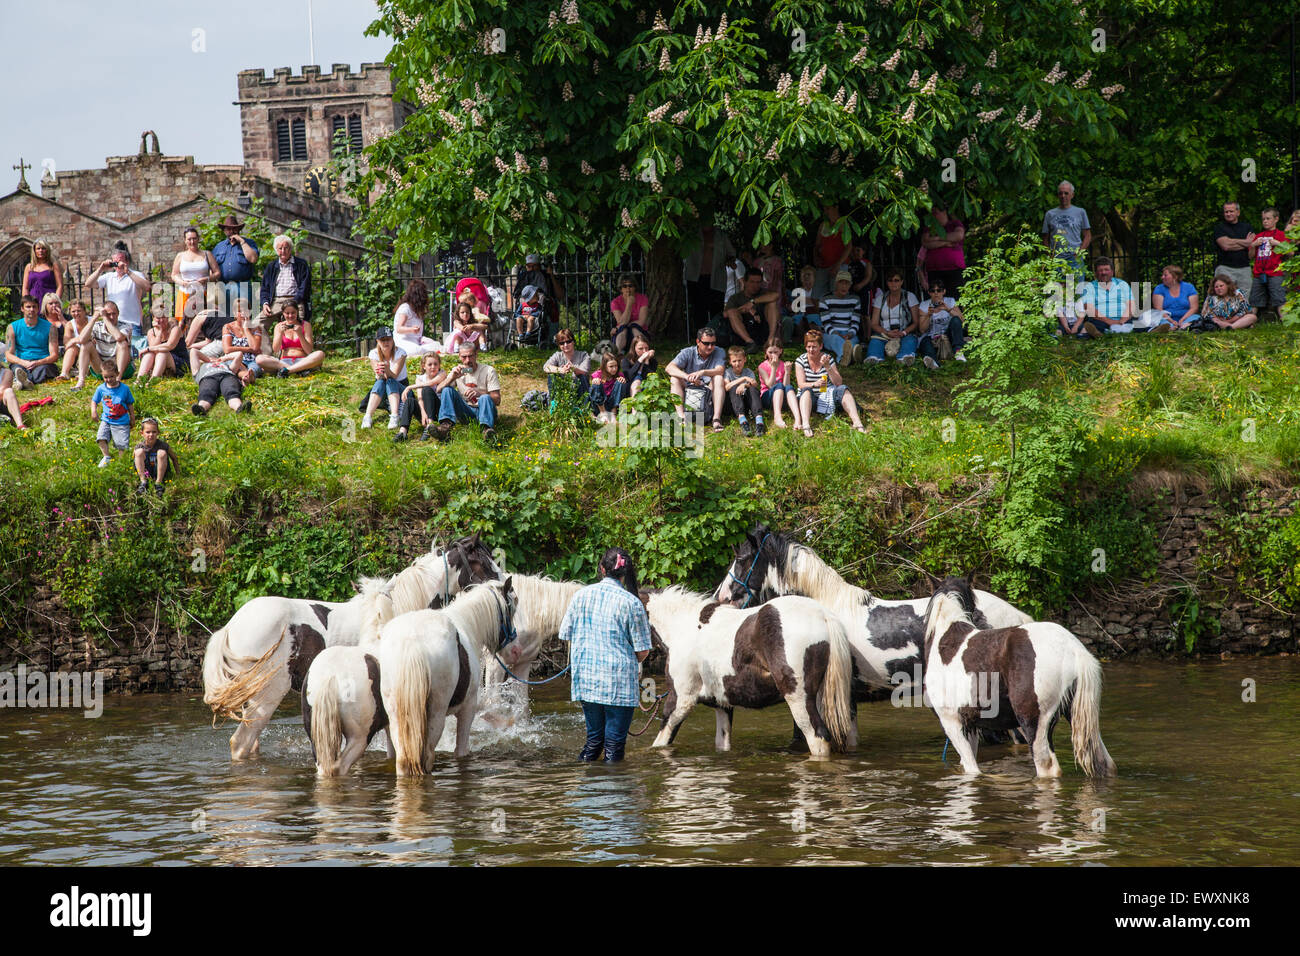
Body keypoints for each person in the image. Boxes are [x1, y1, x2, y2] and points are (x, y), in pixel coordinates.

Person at [558, 547, 652, 763]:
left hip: (587, 680)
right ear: (625, 573)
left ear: (601, 569)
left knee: (593, 742)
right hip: (618, 682)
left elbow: (565, 633)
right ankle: (613, 793)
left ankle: (587, 789)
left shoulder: (580, 596)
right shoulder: (632, 603)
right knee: (614, 747)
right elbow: (642, 651)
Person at [795, 329, 867, 436]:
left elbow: (838, 382)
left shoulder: (827, 359)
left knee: (843, 389)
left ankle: (857, 423)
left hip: (827, 396)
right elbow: (800, 384)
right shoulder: (801, 360)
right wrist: (815, 384)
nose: (811, 350)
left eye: (814, 347)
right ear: (805, 347)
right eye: (808, 347)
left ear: (821, 346)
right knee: (805, 391)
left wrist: (828, 367)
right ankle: (806, 425)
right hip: (810, 399)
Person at [433, 340, 501, 444]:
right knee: (447, 389)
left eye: (471, 356)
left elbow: (497, 399)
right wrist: (451, 378)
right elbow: (438, 390)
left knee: (485, 398)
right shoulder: (458, 371)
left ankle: (487, 430)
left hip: (485, 409)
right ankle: (445, 428)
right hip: (466, 410)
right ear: (459, 356)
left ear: (476, 355)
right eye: (464, 357)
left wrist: (480, 393)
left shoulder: (488, 370)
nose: (467, 360)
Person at [666, 326, 726, 431]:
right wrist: (687, 377)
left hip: (708, 387)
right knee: (674, 379)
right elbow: (669, 368)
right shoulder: (687, 352)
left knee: (718, 378)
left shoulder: (719, 351)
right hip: (689, 386)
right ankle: (682, 417)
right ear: (698, 341)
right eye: (706, 343)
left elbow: (720, 370)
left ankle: (716, 419)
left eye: (713, 343)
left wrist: (702, 372)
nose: (710, 347)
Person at [87, 246, 150, 339]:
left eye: (120, 261)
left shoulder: (135, 274)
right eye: (115, 261)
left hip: (132, 322)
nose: (117, 264)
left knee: (133, 351)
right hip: (113, 321)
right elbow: (88, 283)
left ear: (127, 261)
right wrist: (100, 269)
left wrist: (127, 271)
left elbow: (147, 287)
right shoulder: (109, 277)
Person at [684, 222, 736, 329]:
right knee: (698, 309)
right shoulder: (692, 234)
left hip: (716, 278)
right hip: (695, 278)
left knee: (716, 310)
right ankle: (700, 336)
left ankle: (716, 334)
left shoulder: (721, 236)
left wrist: (729, 261)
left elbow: (731, 254)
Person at [255, 301, 324, 377]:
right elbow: (276, 350)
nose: (290, 316)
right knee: (259, 358)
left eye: (293, 313)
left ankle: (288, 371)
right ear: (283, 313)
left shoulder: (306, 325)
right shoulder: (278, 326)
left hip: (302, 360)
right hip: (284, 362)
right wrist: (281, 334)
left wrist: (300, 334)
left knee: (320, 354)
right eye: (287, 313)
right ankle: (299, 370)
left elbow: (308, 350)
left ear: (297, 312)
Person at [867, 268, 921, 364]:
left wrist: (903, 332)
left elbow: (916, 322)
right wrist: (887, 332)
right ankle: (875, 358)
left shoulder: (910, 296)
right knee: (875, 341)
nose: (893, 283)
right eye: (890, 280)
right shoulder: (880, 299)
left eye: (896, 280)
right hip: (885, 333)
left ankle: (904, 358)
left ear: (901, 282)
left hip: (904, 332)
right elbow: (874, 324)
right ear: (887, 282)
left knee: (910, 340)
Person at [393, 351, 449, 442]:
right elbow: (420, 397)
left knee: (427, 389)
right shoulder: (420, 378)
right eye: (429, 364)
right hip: (426, 414)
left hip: (438, 411)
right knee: (410, 400)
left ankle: (429, 427)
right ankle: (403, 432)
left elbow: (431, 383)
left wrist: (410, 387)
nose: (433, 367)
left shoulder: (442, 374)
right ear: (424, 366)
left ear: (439, 365)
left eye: (435, 364)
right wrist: (423, 412)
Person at [4, 295, 59, 389]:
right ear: (22, 309)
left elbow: (54, 355)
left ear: (38, 308)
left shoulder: (50, 327)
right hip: (22, 362)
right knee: (16, 368)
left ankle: (23, 381)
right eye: (28, 307)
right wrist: (23, 362)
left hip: (42, 363)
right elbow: (8, 354)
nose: (31, 309)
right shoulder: (12, 327)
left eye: (34, 307)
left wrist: (37, 362)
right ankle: (24, 380)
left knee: (44, 370)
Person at [210, 214, 259, 313]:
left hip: (243, 286)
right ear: (224, 230)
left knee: (244, 316)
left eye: (234, 229)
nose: (231, 231)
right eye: (228, 229)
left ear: (238, 230)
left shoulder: (249, 243)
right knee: (224, 316)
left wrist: (241, 241)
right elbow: (212, 269)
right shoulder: (219, 247)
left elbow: (253, 259)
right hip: (224, 286)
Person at [724, 267, 781, 351]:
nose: (755, 285)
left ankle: (770, 340)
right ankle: (750, 343)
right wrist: (744, 310)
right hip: (744, 329)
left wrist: (752, 302)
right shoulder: (736, 298)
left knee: (772, 303)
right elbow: (725, 314)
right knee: (732, 311)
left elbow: (776, 295)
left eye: (758, 282)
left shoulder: (764, 293)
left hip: (762, 327)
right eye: (752, 282)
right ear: (745, 282)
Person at [91, 362, 136, 468]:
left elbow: (130, 404)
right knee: (101, 438)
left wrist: (132, 417)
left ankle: (121, 463)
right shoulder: (101, 389)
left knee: (121, 444)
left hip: (121, 422)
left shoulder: (124, 389)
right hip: (106, 420)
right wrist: (93, 411)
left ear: (117, 374)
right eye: (105, 377)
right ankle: (106, 457)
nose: (108, 379)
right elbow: (94, 401)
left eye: (111, 376)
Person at [362, 327, 408, 429]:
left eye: (388, 339)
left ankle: (394, 416)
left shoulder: (401, 353)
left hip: (400, 386)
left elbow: (395, 375)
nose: (386, 343)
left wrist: (386, 369)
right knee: (380, 381)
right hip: (383, 386)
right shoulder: (373, 354)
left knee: (390, 380)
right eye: (383, 340)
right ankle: (368, 416)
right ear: (377, 341)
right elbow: (378, 375)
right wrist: (380, 372)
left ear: (393, 340)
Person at [259, 235, 312, 323]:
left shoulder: (301, 264)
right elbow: (265, 288)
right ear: (276, 250)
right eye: (280, 248)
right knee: (257, 325)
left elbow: (305, 286)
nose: (283, 251)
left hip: (296, 300)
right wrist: (265, 303)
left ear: (290, 249)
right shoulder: (271, 266)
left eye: (286, 248)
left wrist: (294, 301)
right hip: (276, 301)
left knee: (298, 327)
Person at [170, 227, 220, 320]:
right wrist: (182, 282)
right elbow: (174, 274)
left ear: (198, 239)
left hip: (204, 294)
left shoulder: (207, 254)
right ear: (185, 240)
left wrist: (207, 279)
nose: (192, 242)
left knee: (204, 322)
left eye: (194, 238)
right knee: (183, 323)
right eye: (189, 239)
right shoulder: (180, 256)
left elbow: (217, 273)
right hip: (185, 292)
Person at [75, 302, 133, 382]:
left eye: (114, 314)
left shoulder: (125, 326)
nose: (112, 317)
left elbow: (118, 337)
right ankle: (81, 380)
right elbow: (81, 339)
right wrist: (94, 318)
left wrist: (105, 318)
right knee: (86, 345)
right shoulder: (97, 326)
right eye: (108, 314)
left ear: (118, 314)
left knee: (122, 343)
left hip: (122, 369)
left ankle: (117, 379)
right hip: (101, 368)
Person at [1041, 181, 1092, 273]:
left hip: (1074, 258)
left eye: (1066, 193)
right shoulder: (1050, 214)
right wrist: (1050, 255)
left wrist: (1079, 253)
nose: (1063, 196)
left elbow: (1087, 236)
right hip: (1056, 259)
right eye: (1060, 193)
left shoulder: (1080, 212)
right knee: (1057, 287)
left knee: (1071, 286)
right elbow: (1045, 238)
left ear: (1072, 195)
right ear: (1057, 195)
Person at [1248, 206, 1287, 321]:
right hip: (1259, 272)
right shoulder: (1259, 236)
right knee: (1254, 299)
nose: (1265, 221)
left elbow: (1291, 253)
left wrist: (1278, 243)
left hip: (1275, 272)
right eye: (1263, 219)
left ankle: (1285, 321)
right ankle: (1249, 322)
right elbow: (1250, 256)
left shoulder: (1281, 235)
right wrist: (1253, 245)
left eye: (1268, 218)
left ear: (1276, 219)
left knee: (1279, 298)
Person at [917, 280, 966, 368]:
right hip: (932, 337)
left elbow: (962, 320)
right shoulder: (924, 305)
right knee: (924, 341)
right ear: (929, 292)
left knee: (955, 319)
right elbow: (922, 329)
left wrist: (948, 309)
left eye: (939, 290)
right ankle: (933, 362)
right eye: (933, 291)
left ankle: (958, 352)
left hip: (948, 336)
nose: (936, 293)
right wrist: (928, 315)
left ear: (944, 291)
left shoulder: (950, 301)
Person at [1078, 257, 1134, 333]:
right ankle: (1098, 332)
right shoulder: (1089, 287)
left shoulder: (1122, 284)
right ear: (1096, 273)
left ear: (1112, 272)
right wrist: (1110, 321)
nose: (1103, 273)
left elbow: (1131, 305)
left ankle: (1104, 332)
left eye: (1106, 270)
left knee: (1139, 323)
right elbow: (1089, 308)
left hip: (1124, 320)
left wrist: (1122, 320)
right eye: (1100, 270)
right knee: (1094, 324)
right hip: (1101, 321)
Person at [191, 347, 254, 415]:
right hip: (208, 377)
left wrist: (224, 358)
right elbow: (193, 351)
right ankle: (201, 408)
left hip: (227, 376)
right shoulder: (199, 370)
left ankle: (239, 407)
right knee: (206, 392)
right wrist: (207, 360)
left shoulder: (228, 367)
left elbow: (239, 354)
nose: (214, 358)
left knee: (231, 391)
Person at [821, 269, 865, 365]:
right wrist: (838, 335)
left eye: (847, 283)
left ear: (850, 285)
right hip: (831, 333)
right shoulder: (825, 299)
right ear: (836, 284)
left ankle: (849, 355)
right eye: (841, 283)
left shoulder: (855, 299)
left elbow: (855, 323)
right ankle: (844, 357)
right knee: (836, 340)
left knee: (851, 341)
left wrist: (849, 334)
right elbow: (826, 325)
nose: (844, 286)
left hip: (849, 333)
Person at [921, 204, 966, 296]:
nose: (933, 215)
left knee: (956, 301)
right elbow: (926, 242)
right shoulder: (930, 226)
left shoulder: (955, 223)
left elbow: (958, 236)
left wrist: (935, 238)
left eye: (935, 213)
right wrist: (946, 242)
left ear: (944, 212)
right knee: (936, 302)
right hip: (934, 271)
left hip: (954, 270)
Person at [758, 338, 802, 431]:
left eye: (775, 352)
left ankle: (798, 419)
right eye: (770, 352)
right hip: (767, 397)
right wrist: (773, 368)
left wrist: (787, 372)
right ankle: (777, 416)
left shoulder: (782, 364)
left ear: (780, 351)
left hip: (781, 396)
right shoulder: (762, 366)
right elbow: (770, 385)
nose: (773, 355)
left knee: (789, 387)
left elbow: (786, 386)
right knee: (778, 385)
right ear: (766, 352)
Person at [1212, 201, 1255, 294]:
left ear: (1238, 212)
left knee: (1245, 298)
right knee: (1224, 296)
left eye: (1231, 211)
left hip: (1244, 268)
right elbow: (1225, 246)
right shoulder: (1219, 228)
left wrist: (1231, 240)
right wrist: (1245, 243)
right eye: (1226, 212)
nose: (1228, 214)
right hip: (1225, 268)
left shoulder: (1247, 227)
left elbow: (1252, 245)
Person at [723, 345, 765, 436]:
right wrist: (743, 379)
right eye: (734, 361)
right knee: (733, 387)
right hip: (733, 405)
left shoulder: (748, 371)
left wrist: (744, 385)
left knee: (752, 389)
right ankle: (743, 421)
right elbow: (726, 387)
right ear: (730, 362)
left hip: (746, 404)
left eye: (739, 360)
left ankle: (759, 421)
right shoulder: (727, 372)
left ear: (745, 360)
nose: (737, 363)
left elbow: (754, 384)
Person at [138, 304, 187, 381]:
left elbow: (169, 346)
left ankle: (153, 381)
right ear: (153, 318)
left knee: (162, 352)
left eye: (163, 317)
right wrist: (159, 332)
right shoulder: (151, 332)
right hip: (160, 361)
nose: (161, 320)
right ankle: (139, 381)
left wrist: (147, 349)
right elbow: (153, 349)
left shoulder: (175, 329)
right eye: (158, 317)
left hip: (179, 362)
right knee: (149, 354)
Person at [812, 203, 851, 298]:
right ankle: (821, 313)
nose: (825, 211)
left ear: (836, 207)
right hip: (823, 266)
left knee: (838, 295)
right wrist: (816, 257)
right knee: (816, 296)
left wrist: (838, 265)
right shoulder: (823, 225)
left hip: (839, 266)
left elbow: (849, 247)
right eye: (824, 208)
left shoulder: (843, 223)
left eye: (828, 208)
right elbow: (817, 245)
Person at [392, 279, 440, 357]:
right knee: (418, 350)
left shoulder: (416, 310)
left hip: (416, 342)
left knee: (437, 345)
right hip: (403, 342)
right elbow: (399, 329)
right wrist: (411, 329)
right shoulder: (405, 308)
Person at [543, 328, 591, 403]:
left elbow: (584, 372)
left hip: (579, 390)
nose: (565, 345)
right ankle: (554, 404)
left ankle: (584, 406)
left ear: (573, 342)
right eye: (562, 343)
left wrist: (573, 369)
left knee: (582, 376)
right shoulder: (557, 355)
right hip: (562, 391)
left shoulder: (584, 355)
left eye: (568, 341)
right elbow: (546, 367)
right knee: (551, 375)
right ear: (559, 345)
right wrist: (561, 370)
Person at [1145, 265, 1200, 331]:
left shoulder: (1189, 287)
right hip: (1166, 318)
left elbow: (1194, 308)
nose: (1162, 277)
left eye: (1165, 275)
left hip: (1186, 318)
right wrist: (1172, 321)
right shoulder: (1159, 288)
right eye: (1162, 275)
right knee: (1161, 320)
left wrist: (1182, 320)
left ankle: (1182, 326)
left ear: (1175, 277)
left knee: (1196, 317)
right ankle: (1172, 328)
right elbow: (1159, 309)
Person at [133, 417, 174, 495]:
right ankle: (143, 482)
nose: (151, 435)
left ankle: (158, 483)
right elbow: (134, 460)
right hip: (146, 471)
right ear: (142, 433)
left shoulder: (163, 445)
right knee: (138, 452)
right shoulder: (139, 446)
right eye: (148, 432)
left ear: (158, 432)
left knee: (161, 453)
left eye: (154, 432)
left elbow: (174, 459)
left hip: (160, 471)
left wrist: (178, 474)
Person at [610, 276, 650, 353]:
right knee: (623, 329)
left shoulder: (643, 299)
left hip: (639, 331)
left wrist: (621, 326)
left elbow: (641, 321)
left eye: (630, 286)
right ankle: (618, 354)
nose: (628, 289)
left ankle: (641, 352)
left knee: (634, 328)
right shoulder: (615, 302)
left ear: (635, 287)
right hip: (622, 332)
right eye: (624, 286)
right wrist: (629, 304)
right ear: (621, 289)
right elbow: (621, 322)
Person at [58, 300, 93, 384]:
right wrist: (76, 342)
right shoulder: (70, 324)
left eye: (79, 311)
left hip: (91, 349)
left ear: (84, 311)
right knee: (71, 348)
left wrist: (75, 340)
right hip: (77, 350)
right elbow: (67, 343)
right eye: (73, 311)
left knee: (86, 345)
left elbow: (94, 339)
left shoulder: (92, 321)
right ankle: (64, 373)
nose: (76, 313)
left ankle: (83, 374)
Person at [784, 265, 823, 340]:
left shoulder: (817, 291)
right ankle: (802, 338)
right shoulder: (798, 291)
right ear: (801, 279)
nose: (806, 277)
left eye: (809, 275)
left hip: (814, 313)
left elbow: (818, 305)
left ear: (814, 278)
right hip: (801, 313)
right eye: (804, 275)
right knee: (797, 318)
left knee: (813, 319)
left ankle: (817, 337)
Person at [222, 308, 263, 376]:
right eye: (239, 311)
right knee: (235, 365)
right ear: (234, 313)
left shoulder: (256, 328)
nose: (243, 313)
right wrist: (249, 349)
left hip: (251, 360)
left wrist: (246, 329)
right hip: (234, 358)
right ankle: (246, 376)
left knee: (255, 368)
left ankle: (247, 376)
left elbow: (255, 347)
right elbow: (227, 349)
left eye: (246, 310)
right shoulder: (228, 327)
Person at [588, 351, 626, 424]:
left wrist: (622, 380)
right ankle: (603, 414)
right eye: (611, 366)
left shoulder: (619, 375)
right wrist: (594, 381)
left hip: (612, 404)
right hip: (600, 405)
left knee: (621, 382)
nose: (614, 369)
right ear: (604, 366)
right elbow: (592, 392)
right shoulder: (597, 374)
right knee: (596, 384)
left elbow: (621, 392)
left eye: (616, 366)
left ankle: (613, 415)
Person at [22, 239, 63, 305]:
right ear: (34, 251)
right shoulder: (29, 267)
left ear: (47, 250)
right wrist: (26, 302)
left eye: (43, 248)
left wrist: (55, 302)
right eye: (38, 248)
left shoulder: (53, 266)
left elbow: (60, 286)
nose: (41, 251)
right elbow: (25, 288)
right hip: (33, 301)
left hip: (49, 301)